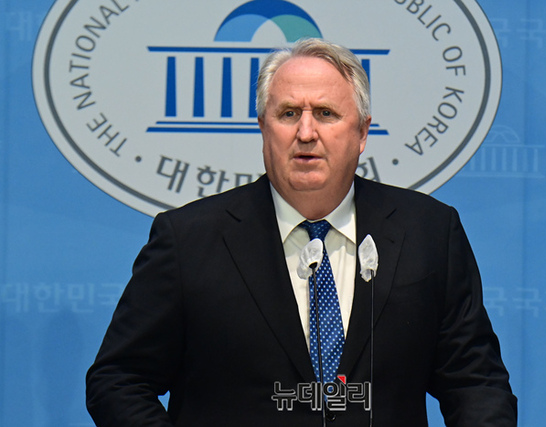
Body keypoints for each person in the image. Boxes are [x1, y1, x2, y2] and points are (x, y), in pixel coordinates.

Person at [86, 38, 517, 426]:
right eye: (288, 113)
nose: (306, 133)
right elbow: (119, 379)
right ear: (263, 127)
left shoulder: (427, 232)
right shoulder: (190, 240)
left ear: (362, 132)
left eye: (326, 114)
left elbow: (475, 383)